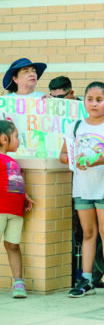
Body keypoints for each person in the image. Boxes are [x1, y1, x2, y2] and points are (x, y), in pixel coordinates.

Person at [59, 82, 104, 299]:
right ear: (84, 101)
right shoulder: (76, 126)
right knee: (88, 233)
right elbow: (62, 155)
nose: (94, 104)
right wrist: (74, 161)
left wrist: (102, 160)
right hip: (82, 188)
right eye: (90, 99)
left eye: (99, 100)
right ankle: (86, 279)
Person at [0, 120, 34, 298]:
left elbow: (13, 182)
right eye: (16, 137)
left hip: (15, 211)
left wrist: (24, 195)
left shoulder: (12, 161)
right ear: (4, 139)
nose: (19, 141)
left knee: (13, 245)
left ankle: (19, 283)